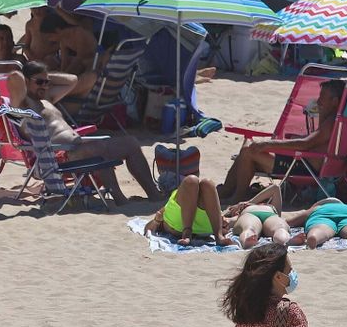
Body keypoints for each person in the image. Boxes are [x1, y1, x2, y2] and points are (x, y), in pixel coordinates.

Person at [18, 61, 161, 203]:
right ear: (26, 82)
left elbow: (72, 80)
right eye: (39, 82)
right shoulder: (23, 104)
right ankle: (120, 200)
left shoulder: (47, 100)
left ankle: (154, 195)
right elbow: (15, 80)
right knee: (97, 149)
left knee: (131, 143)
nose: (44, 86)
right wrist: (28, 76)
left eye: (46, 82)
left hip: (77, 147)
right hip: (55, 156)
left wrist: (44, 76)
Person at [220, 80, 345, 202]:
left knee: (249, 151)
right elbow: (313, 141)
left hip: (304, 167)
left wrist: (266, 144)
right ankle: (227, 190)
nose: (318, 101)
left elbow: (306, 144)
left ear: (335, 101)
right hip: (300, 161)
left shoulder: (331, 123)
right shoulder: (332, 119)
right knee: (248, 147)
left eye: (322, 97)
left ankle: (237, 196)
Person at [144, 175, 234, 247]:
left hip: (180, 225)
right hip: (206, 227)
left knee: (196, 181)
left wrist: (156, 220)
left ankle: (187, 233)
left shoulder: (171, 205)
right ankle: (218, 235)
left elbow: (148, 228)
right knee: (206, 183)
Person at [283, 198, 347, 249]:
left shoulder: (317, 208)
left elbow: (291, 222)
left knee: (321, 228)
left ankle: (314, 236)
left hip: (322, 215)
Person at [224, 184, 292, 249]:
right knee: (280, 228)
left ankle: (248, 240)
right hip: (267, 214)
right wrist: (247, 204)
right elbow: (227, 221)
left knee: (250, 228)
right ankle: (284, 241)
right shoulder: (239, 214)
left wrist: (248, 203)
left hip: (253, 214)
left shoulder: (246, 207)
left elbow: (275, 187)